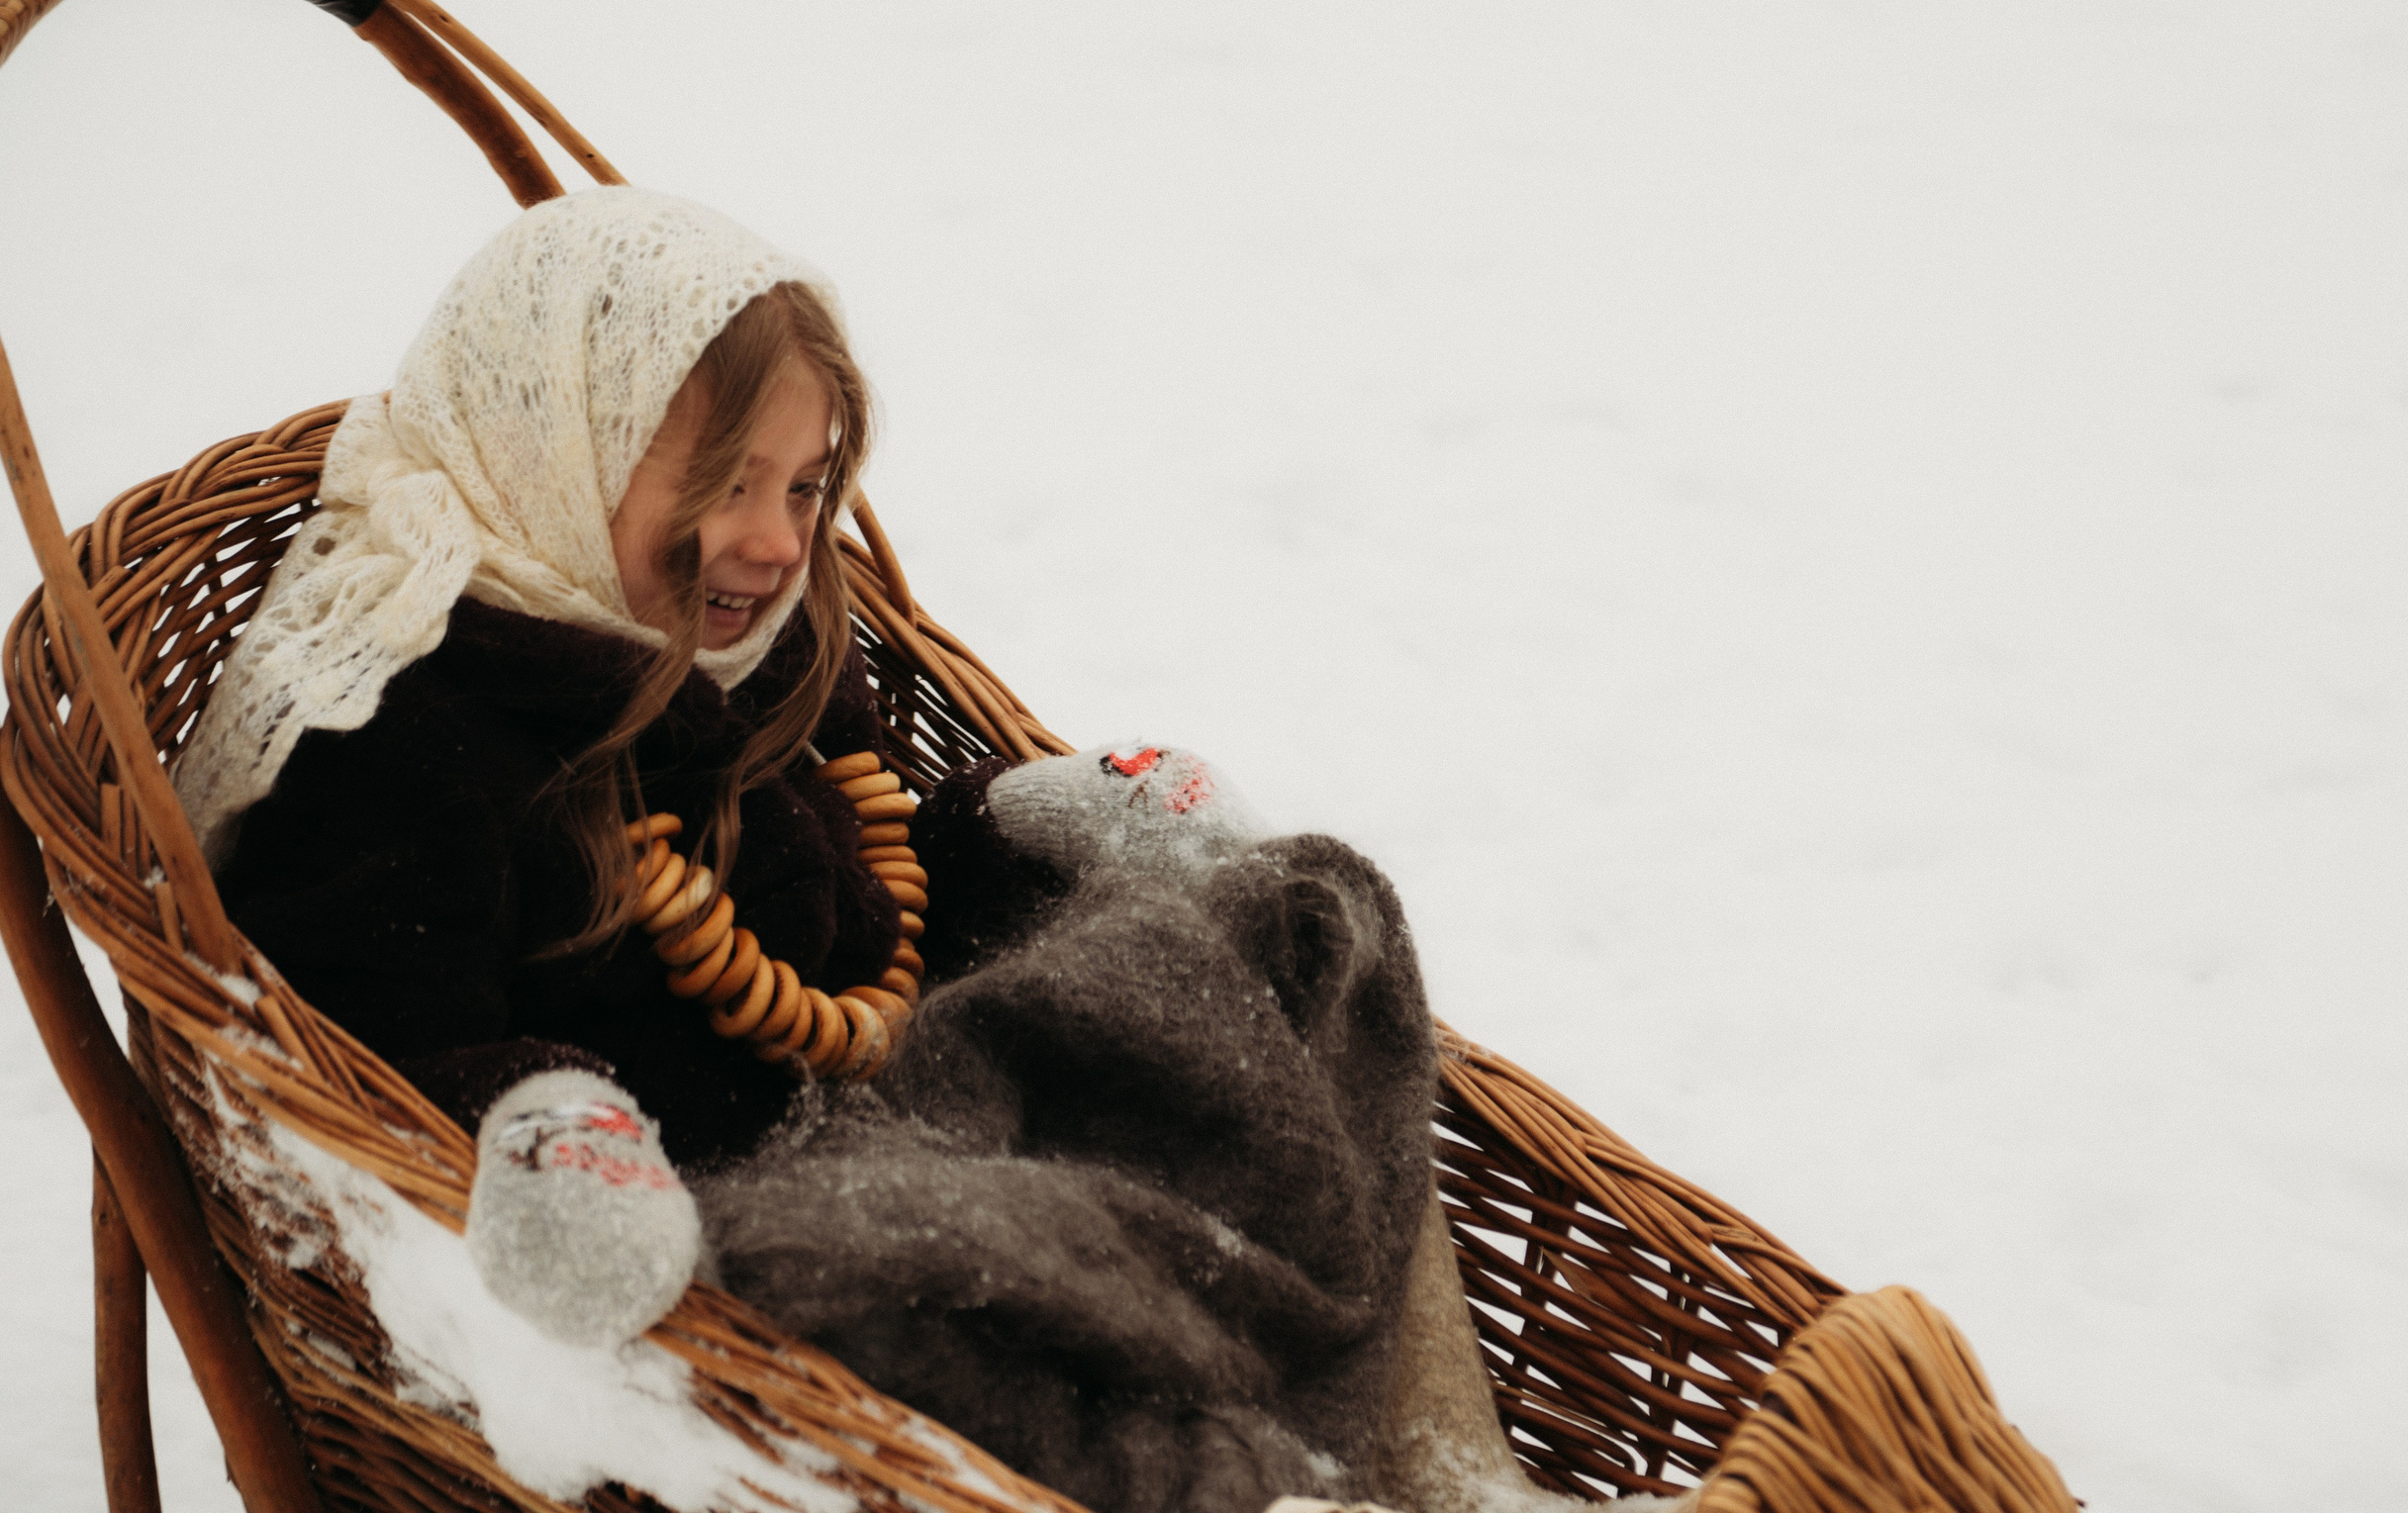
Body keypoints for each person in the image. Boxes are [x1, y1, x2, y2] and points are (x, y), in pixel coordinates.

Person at [178, 189, 1539, 1513]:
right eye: (723, 483)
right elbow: (359, 1041)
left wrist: (1027, 822)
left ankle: (1450, 1471)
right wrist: (543, 1116)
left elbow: (875, 881)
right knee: (904, 1292)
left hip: (930, 1099)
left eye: (806, 485)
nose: (776, 542)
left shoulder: (780, 654)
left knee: (1298, 939)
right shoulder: (414, 743)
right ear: (555, 451)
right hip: (733, 1230)